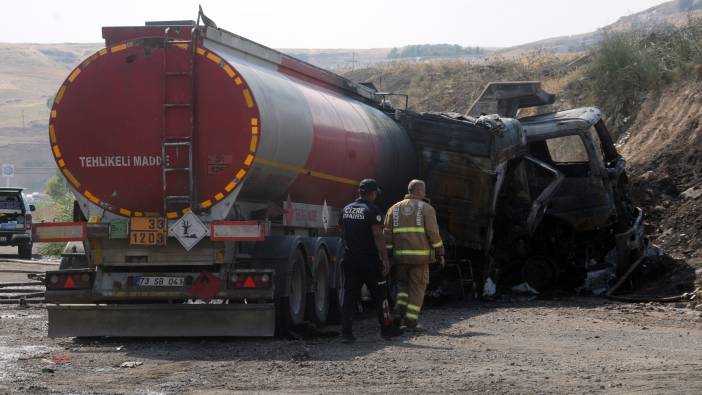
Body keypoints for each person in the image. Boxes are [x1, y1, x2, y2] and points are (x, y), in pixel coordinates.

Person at [338, 179, 403, 343]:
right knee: (380, 295)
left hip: (350, 258)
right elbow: (377, 236)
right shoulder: (372, 210)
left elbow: (342, 232)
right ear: (372, 193)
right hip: (369, 260)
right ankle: (386, 330)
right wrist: (385, 259)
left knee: (350, 295)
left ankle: (346, 333)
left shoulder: (346, 209)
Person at [385, 179, 444, 332]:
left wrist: (389, 254)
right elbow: (433, 233)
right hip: (420, 259)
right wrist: (440, 252)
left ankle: (397, 315)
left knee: (403, 288)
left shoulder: (393, 209)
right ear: (418, 191)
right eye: (423, 190)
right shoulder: (427, 208)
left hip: (400, 259)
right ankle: (411, 322)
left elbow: (387, 234)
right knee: (417, 289)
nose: (425, 193)